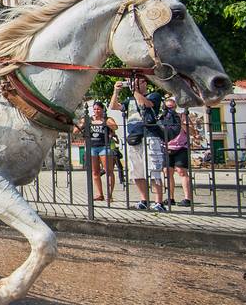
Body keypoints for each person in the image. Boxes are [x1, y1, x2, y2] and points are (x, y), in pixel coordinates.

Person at [109, 77, 166, 211]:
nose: (134, 85)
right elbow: (113, 106)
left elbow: (145, 104)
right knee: (136, 171)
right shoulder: (129, 100)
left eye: (137, 82)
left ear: (145, 83)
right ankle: (144, 200)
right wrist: (115, 92)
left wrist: (135, 91)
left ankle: (159, 202)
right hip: (133, 137)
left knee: (153, 170)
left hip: (149, 135)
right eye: (133, 83)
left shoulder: (154, 96)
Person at [75, 101, 118, 201]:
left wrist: (106, 122)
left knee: (109, 171)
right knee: (95, 172)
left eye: (98, 109)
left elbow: (115, 127)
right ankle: (100, 194)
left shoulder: (107, 119)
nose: (96, 111)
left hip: (104, 146)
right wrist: (82, 124)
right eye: (94, 109)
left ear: (102, 109)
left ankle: (110, 195)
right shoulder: (88, 119)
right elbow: (75, 131)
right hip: (92, 147)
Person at [161, 97, 192, 207]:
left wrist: (182, 123)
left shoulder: (183, 116)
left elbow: (192, 132)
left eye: (172, 107)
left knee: (181, 171)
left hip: (181, 147)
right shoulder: (162, 118)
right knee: (167, 172)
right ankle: (170, 198)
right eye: (167, 107)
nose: (170, 110)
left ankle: (187, 198)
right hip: (167, 147)